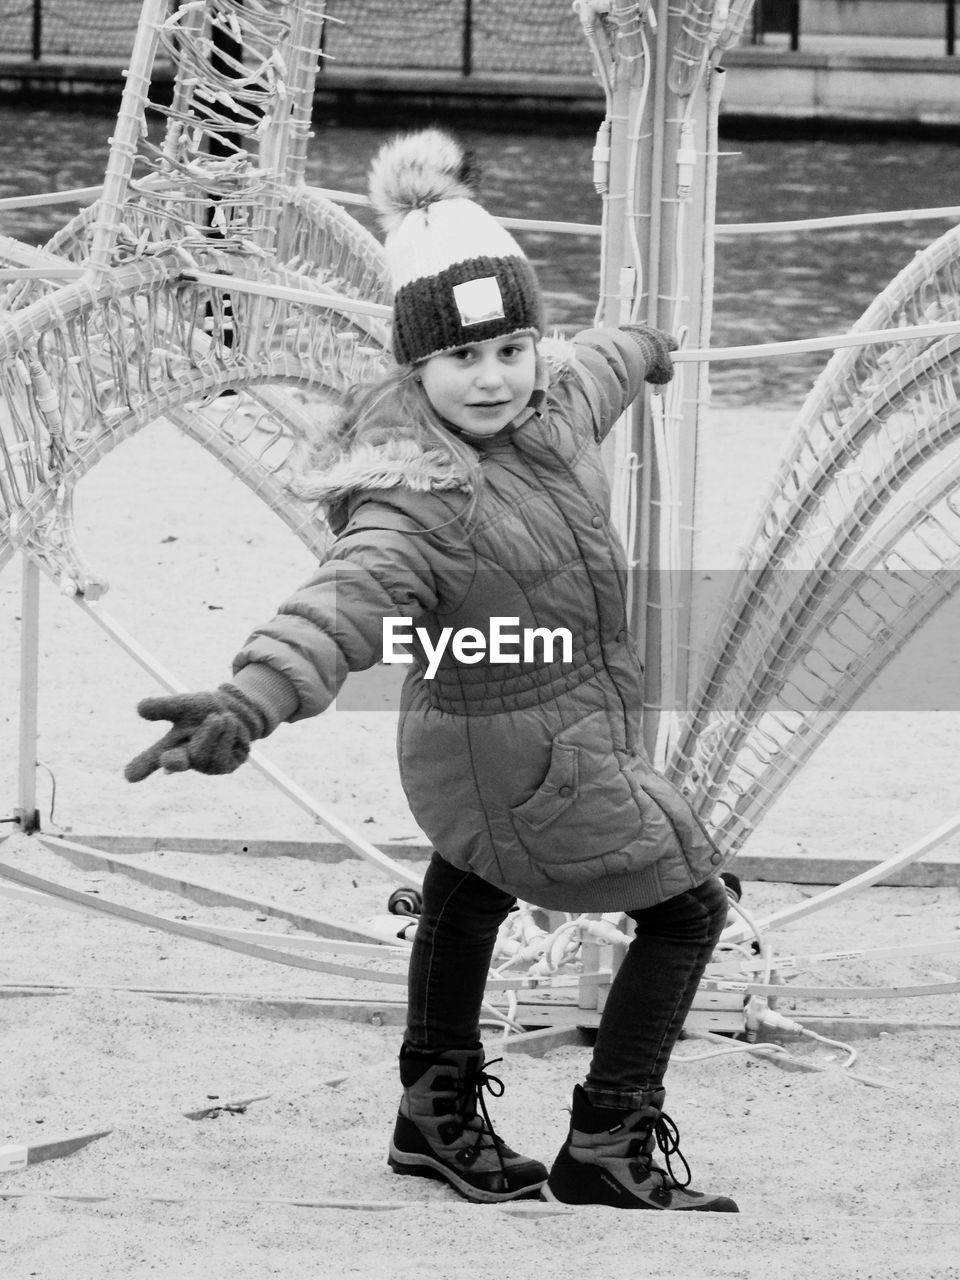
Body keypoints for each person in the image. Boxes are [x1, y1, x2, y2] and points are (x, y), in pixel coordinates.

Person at [125, 127, 738, 1213]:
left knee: (468, 888)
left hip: (501, 739)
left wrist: (641, 340)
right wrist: (246, 701)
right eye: (462, 358)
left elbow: (591, 363)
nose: (493, 377)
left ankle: (432, 1112)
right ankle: (607, 1137)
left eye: (510, 349)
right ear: (414, 366)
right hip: (523, 752)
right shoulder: (416, 495)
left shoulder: (546, 414)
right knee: (690, 903)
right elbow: (339, 604)